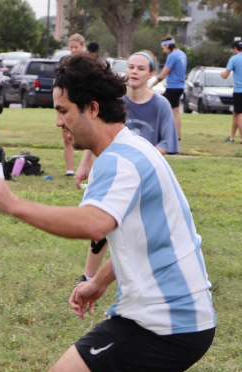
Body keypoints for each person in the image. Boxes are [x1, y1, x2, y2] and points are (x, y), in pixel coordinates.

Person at [0, 53, 218, 372]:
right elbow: (144, 234)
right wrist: (100, 281)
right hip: (172, 315)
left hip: (166, 321)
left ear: (91, 108)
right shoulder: (131, 148)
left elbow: (92, 224)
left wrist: (10, 204)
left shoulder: (120, 159)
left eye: (63, 111)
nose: (58, 123)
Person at [78, 51, 179, 284]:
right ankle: (87, 276)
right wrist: (84, 164)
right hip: (113, 173)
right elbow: (97, 134)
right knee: (102, 226)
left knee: (137, 234)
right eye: (131, 67)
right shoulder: (117, 103)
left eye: (141, 68)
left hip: (144, 177)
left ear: (151, 74)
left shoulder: (160, 104)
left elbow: (168, 142)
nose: (134, 71)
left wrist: (143, 156)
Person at [151, 36, 187, 140]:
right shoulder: (182, 54)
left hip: (172, 87)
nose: (164, 50)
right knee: (175, 112)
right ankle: (177, 136)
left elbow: (163, 74)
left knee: (159, 108)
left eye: (164, 48)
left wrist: (151, 86)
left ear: (167, 45)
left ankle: (161, 133)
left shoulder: (172, 56)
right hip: (180, 87)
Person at [62, 34, 87, 176]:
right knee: (67, 137)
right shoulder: (65, 62)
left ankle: (91, 170)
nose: (72, 50)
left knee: (88, 139)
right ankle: (69, 170)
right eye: (70, 47)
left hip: (83, 103)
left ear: (82, 46)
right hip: (68, 102)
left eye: (75, 47)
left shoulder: (87, 63)